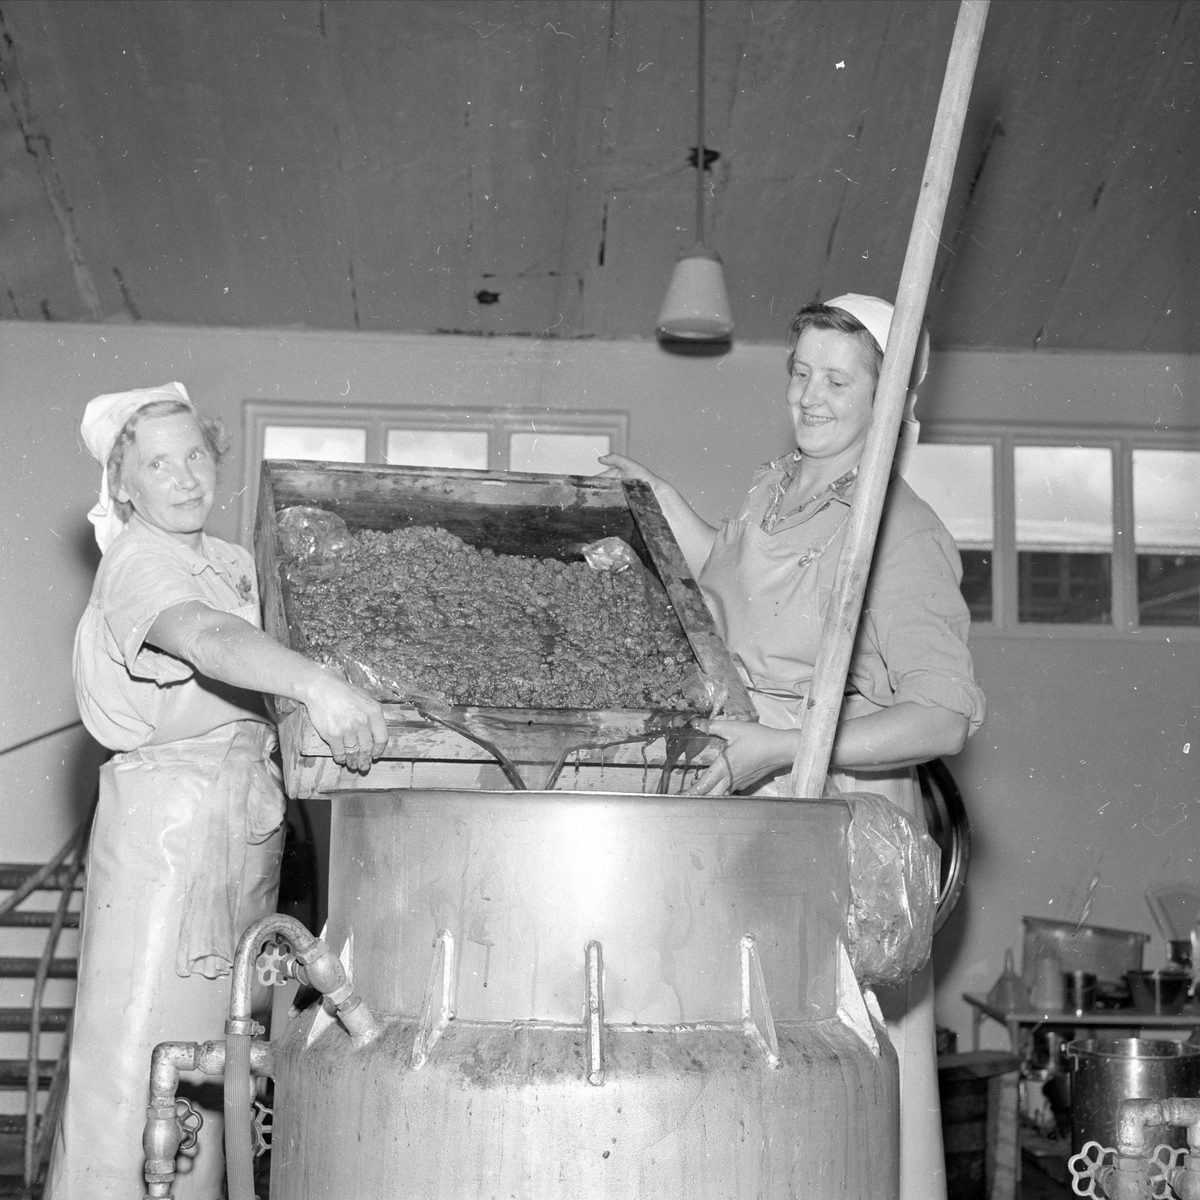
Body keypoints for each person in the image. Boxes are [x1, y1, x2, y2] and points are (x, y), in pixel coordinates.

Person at [601, 295, 985, 1200]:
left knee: (824, 1109)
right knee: (741, 1094)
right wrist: (666, 510)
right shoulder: (779, 488)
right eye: (800, 372)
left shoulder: (898, 529)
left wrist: (778, 746)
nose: (810, 397)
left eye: (837, 380)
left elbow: (944, 717)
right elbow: (737, 585)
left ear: (888, 397)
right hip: (746, 815)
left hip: (831, 832)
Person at [46, 383, 389, 1199]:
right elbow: (205, 637)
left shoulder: (232, 561)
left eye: (195, 453)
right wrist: (318, 687)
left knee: (220, 1065)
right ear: (122, 486)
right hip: (167, 836)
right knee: (136, 1070)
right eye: (157, 463)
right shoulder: (140, 558)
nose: (185, 476)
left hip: (242, 824)